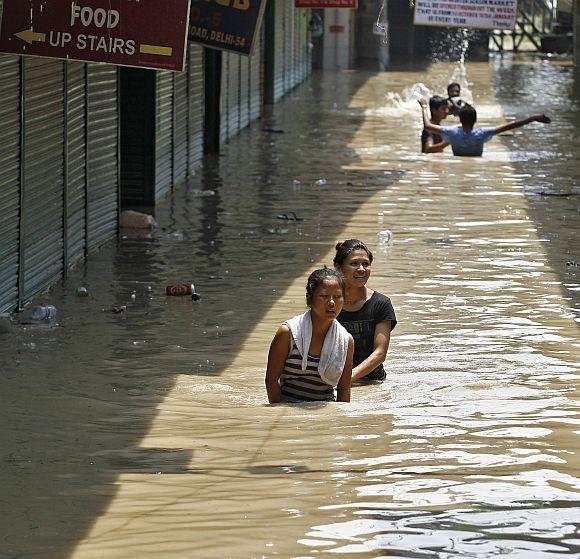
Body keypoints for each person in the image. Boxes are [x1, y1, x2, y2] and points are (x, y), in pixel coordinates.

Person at [265, 268, 354, 403]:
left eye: (337, 297)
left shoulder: (346, 340)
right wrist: (282, 414)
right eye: (324, 296)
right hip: (289, 409)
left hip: (325, 410)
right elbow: (271, 381)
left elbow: (344, 388)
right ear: (309, 299)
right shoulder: (288, 333)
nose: (331, 302)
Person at [333, 240, 397, 383]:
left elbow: (380, 353)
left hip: (373, 382)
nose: (361, 269)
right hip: (333, 379)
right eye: (354, 263)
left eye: (365, 264)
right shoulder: (330, 303)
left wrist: (347, 378)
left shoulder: (381, 304)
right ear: (338, 267)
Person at [418, 100, 551, 157]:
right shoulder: (481, 134)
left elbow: (428, 126)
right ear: (475, 120)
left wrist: (424, 107)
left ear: (460, 119)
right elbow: (511, 125)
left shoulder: (453, 133)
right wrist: (533, 118)